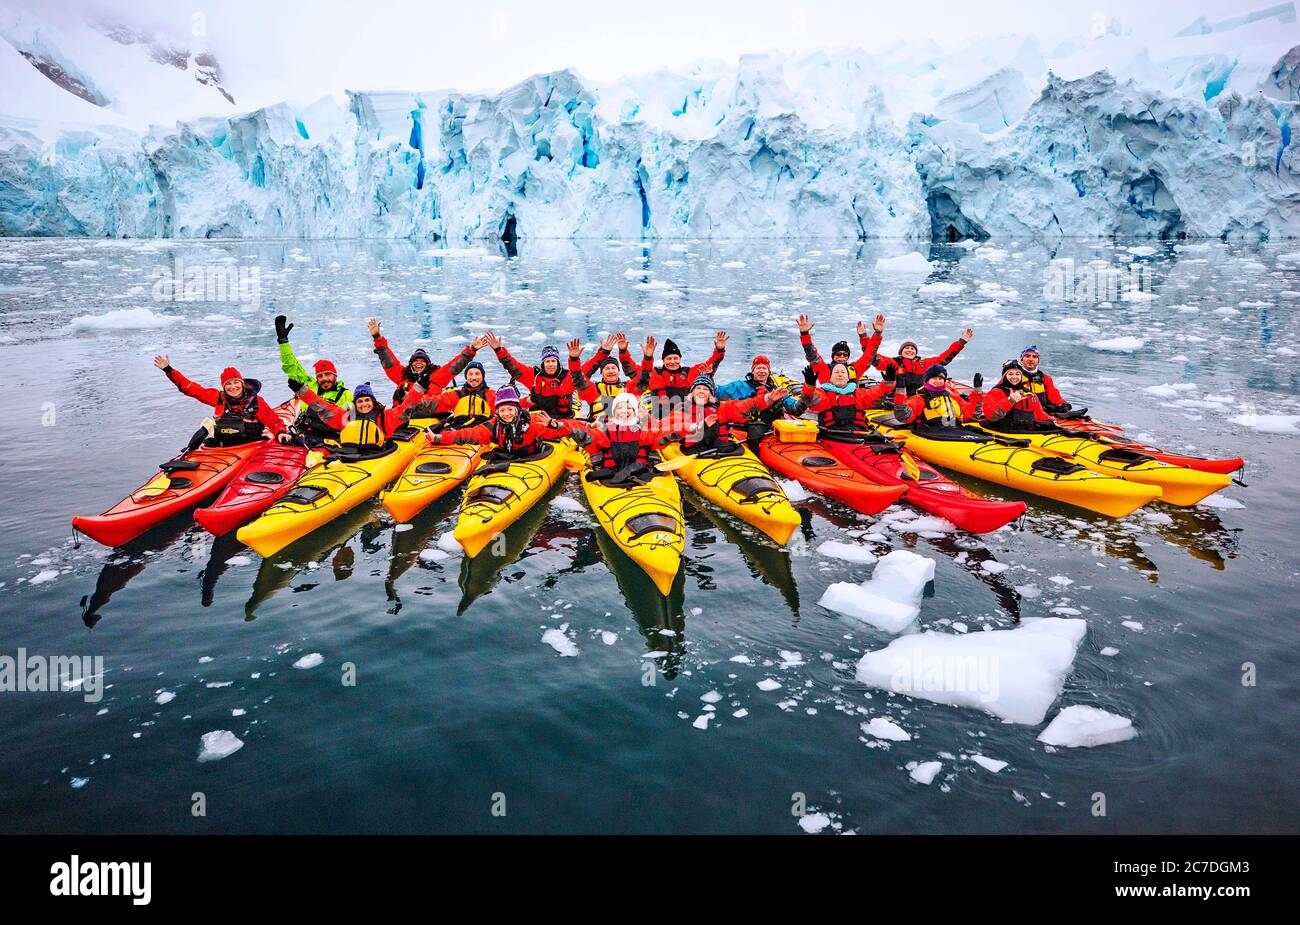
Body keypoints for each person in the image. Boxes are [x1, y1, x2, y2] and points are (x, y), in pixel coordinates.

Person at [154, 356, 290, 445]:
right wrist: (168, 369)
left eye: (236, 382)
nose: (233, 387)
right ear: (224, 387)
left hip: (250, 446)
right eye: (228, 384)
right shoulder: (218, 397)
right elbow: (189, 388)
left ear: (242, 384)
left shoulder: (256, 402)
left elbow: (274, 422)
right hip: (224, 446)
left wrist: (281, 432)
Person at [660, 373, 790, 454]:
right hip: (693, 450)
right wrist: (702, 425)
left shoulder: (720, 408)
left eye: (705, 389)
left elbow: (746, 406)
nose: (701, 391)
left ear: (710, 394)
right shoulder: (681, 409)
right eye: (698, 388)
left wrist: (768, 398)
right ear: (692, 393)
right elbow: (674, 430)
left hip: (721, 449)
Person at [427, 385, 568, 458]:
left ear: (517, 410)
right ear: (497, 412)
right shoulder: (493, 426)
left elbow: (565, 430)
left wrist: (556, 425)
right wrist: (439, 437)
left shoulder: (534, 422)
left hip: (533, 457)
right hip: (507, 458)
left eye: (510, 410)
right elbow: (468, 434)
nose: (506, 414)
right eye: (502, 410)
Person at [288, 379, 429, 449]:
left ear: (373, 401)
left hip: (378, 454)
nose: (364, 404)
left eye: (367, 400)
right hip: (350, 454)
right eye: (360, 401)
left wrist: (419, 387)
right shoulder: (346, 417)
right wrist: (302, 391)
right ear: (355, 404)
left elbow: (407, 407)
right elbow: (321, 407)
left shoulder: (385, 417)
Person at [563, 392, 662, 482]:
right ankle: (618, 472)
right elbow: (583, 434)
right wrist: (557, 426)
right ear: (614, 412)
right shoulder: (605, 430)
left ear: (635, 412)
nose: (624, 411)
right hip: (610, 471)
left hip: (642, 471)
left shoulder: (644, 430)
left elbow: (665, 433)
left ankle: (629, 471)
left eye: (628, 408)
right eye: (619, 408)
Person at [484, 332, 584, 419]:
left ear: (558, 363)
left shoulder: (567, 376)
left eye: (553, 361)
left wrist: (574, 359)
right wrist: (498, 350)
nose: (550, 364)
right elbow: (513, 367)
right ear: (542, 364)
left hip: (562, 419)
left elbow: (580, 374)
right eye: (547, 361)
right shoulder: (534, 376)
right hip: (537, 419)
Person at [640, 331, 728, 417]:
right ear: (663, 360)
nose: (672, 361)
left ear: (680, 359)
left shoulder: (689, 372)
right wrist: (648, 358)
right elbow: (645, 373)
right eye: (669, 358)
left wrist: (719, 350)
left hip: (687, 416)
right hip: (661, 417)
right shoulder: (657, 374)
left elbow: (712, 363)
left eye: (675, 358)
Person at [275, 315, 353, 410]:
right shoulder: (308, 386)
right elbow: (291, 366)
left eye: (328, 374)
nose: (324, 379)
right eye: (320, 376)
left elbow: (347, 419)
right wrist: (283, 342)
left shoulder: (346, 395)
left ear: (335, 375)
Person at [800, 362, 906, 431]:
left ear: (847, 378)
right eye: (836, 372)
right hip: (832, 434)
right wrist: (809, 385)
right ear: (830, 379)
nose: (840, 374)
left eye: (843, 372)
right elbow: (812, 400)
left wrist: (889, 381)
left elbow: (878, 394)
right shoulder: (824, 393)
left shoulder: (858, 393)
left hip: (859, 434)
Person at [567, 338, 652, 419]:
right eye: (607, 368)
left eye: (613, 368)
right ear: (601, 373)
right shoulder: (594, 389)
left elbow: (644, 379)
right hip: (598, 428)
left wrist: (647, 358)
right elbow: (578, 379)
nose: (611, 371)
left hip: (625, 427)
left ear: (619, 372)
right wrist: (574, 360)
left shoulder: (628, 388)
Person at [874, 328, 974, 396]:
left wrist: (961, 342)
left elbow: (944, 358)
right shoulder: (893, 362)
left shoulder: (923, 364)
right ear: (901, 352)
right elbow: (872, 357)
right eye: (906, 348)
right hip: (899, 398)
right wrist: (872, 336)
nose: (910, 350)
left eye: (912, 348)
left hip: (921, 398)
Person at [368, 318, 439, 404]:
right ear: (410, 364)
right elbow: (387, 359)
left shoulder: (435, 378)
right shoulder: (402, 375)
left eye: (423, 361)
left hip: (428, 415)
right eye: (415, 360)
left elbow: (453, 367)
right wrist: (377, 337)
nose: (419, 362)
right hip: (400, 415)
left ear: (428, 365)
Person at [797, 313, 884, 382]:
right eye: (838, 354)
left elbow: (869, 355)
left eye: (845, 355)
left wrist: (876, 334)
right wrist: (804, 334)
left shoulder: (854, 370)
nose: (842, 357)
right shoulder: (825, 371)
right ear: (833, 356)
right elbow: (811, 354)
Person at [426, 335, 496, 419]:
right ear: (466, 377)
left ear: (482, 376)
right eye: (470, 374)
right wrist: (414, 395)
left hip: (483, 429)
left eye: (477, 374)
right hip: (459, 428)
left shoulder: (491, 395)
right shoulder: (456, 395)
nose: (473, 377)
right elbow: (431, 404)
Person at [893, 364, 983, 428]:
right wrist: (900, 390)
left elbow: (973, 415)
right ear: (927, 381)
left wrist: (977, 391)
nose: (938, 381)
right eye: (934, 378)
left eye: (940, 378)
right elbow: (903, 416)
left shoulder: (953, 397)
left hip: (954, 430)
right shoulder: (919, 399)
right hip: (931, 433)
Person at [981, 360, 1058, 433]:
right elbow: (990, 416)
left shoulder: (1030, 395)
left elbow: (1039, 414)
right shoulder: (995, 392)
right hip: (1003, 432)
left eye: (1017, 374)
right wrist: (1010, 401)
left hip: (1026, 433)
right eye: (1010, 374)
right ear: (1004, 376)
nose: (1014, 377)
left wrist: (1052, 421)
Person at [1016, 345, 1072, 414]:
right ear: (1021, 360)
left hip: (1043, 413)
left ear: (1038, 361)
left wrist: (1063, 404)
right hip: (1022, 414)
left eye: (1034, 357)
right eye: (1027, 356)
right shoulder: (1013, 377)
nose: (1031, 359)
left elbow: (1054, 395)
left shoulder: (1045, 378)